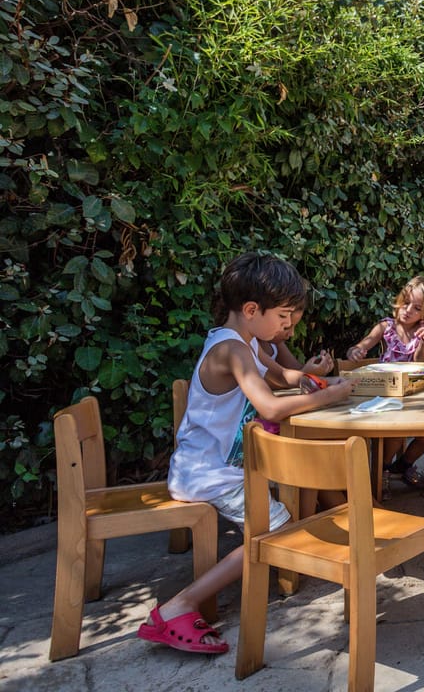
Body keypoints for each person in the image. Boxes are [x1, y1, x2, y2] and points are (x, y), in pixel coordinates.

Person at [138, 253, 355, 654]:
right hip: (207, 474)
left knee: (293, 483)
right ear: (252, 310)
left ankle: (338, 531)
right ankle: (177, 607)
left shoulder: (246, 343)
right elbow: (270, 407)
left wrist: (313, 382)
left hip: (212, 467)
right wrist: (328, 398)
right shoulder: (232, 350)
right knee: (278, 529)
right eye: (283, 316)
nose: (288, 326)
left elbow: (281, 377)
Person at [346, 276, 424, 489]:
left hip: (414, 396)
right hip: (386, 395)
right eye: (405, 302)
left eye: (417, 308)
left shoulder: (423, 332)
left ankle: (401, 466)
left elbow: (420, 362)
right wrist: (356, 351)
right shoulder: (386, 327)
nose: (407, 310)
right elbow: (361, 345)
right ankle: (381, 470)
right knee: (396, 434)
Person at [258, 285, 334, 377]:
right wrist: (306, 374)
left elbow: (296, 370)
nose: (292, 333)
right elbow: (277, 380)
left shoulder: (276, 343)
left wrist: (317, 366)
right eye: (286, 327)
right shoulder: (251, 345)